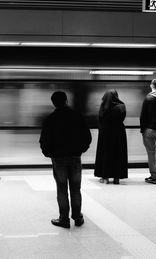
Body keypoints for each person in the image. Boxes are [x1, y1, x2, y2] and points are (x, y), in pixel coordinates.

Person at [40, 91, 91, 228]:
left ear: (53, 103)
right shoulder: (77, 116)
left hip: (58, 159)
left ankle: (64, 219)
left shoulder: (50, 119)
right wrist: (80, 150)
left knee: (61, 189)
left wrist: (50, 154)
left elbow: (44, 141)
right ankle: (78, 217)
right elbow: (87, 137)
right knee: (76, 188)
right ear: (66, 100)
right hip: (75, 157)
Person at [94, 90, 128, 184]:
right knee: (118, 154)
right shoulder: (121, 106)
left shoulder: (103, 106)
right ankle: (116, 178)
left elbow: (100, 118)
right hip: (119, 133)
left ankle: (105, 177)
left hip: (105, 133)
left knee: (105, 154)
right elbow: (123, 117)